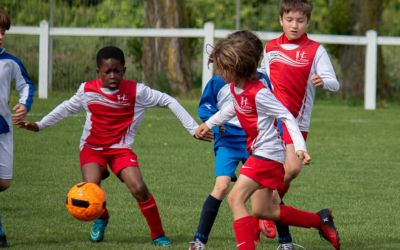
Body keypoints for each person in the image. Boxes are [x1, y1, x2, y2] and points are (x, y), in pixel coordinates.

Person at [17, 46, 212, 247]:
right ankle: (101, 217)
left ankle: (158, 235)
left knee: (139, 188)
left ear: (124, 71)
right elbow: (66, 108)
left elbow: (169, 100)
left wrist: (192, 129)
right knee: (92, 188)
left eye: (116, 71)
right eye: (107, 71)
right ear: (98, 72)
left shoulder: (137, 92)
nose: (112, 75)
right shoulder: (87, 90)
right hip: (92, 148)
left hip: (120, 149)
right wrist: (39, 125)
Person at [195, 30, 340, 250]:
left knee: (235, 199)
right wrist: (209, 123)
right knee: (263, 210)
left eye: (222, 68)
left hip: (267, 154)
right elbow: (230, 109)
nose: (218, 72)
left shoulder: (260, 92)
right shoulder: (236, 87)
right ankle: (319, 220)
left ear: (237, 68)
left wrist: (300, 147)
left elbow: (286, 116)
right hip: (260, 153)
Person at [258, 0, 340, 249]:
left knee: (291, 170)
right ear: (281, 19)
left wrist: (323, 81)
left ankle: (268, 208)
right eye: (290, 20)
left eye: (300, 20)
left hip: (298, 121)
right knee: (285, 168)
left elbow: (334, 83)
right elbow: (263, 77)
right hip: (272, 118)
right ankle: (263, 222)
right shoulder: (271, 47)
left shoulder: (315, 50)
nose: (295, 25)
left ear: (308, 22)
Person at [189, 30, 276, 250]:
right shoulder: (219, 80)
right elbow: (206, 106)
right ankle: (199, 240)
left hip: (254, 141)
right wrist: (211, 122)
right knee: (221, 186)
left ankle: (285, 242)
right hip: (227, 140)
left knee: (267, 190)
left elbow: (275, 112)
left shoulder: (262, 80)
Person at [0, 7, 35, 248]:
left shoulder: (10, 62)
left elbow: (26, 86)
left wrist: (24, 104)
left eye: (3, 30)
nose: (1, 35)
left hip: (3, 129)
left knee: (4, 183)